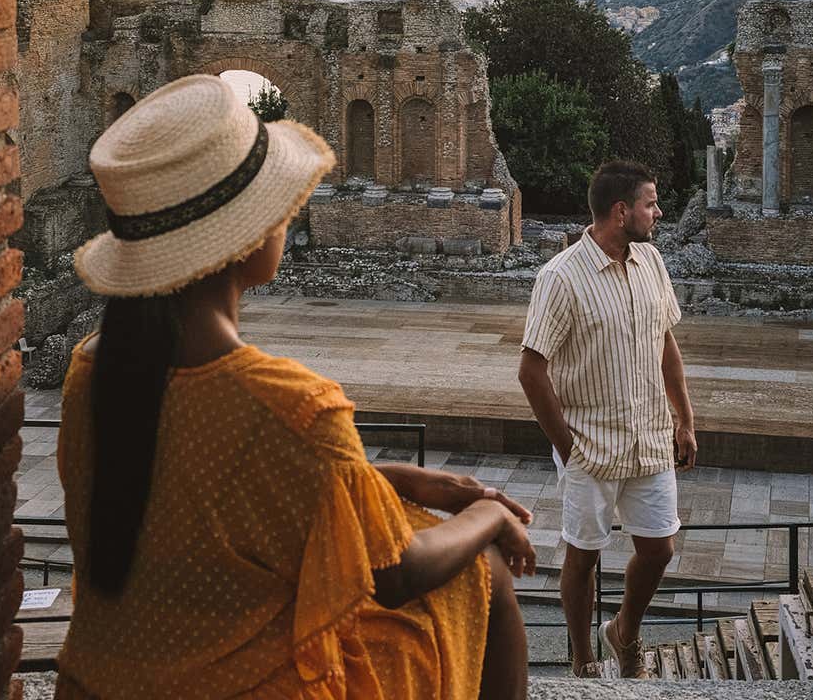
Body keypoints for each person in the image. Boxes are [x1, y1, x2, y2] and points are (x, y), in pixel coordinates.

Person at [54, 75, 534, 700]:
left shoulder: (89, 371)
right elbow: (397, 573)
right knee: (485, 573)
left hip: (102, 681)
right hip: (245, 689)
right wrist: (487, 512)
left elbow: (221, 489)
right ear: (245, 236)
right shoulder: (288, 405)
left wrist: (411, 480)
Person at [518, 161, 697, 679]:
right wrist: (566, 444)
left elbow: (666, 344)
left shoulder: (652, 262)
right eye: (650, 203)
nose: (658, 212)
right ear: (622, 212)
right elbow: (532, 369)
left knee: (660, 547)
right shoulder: (560, 277)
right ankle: (581, 661)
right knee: (584, 557)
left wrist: (684, 420)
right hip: (591, 448)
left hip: (650, 440)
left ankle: (624, 632)